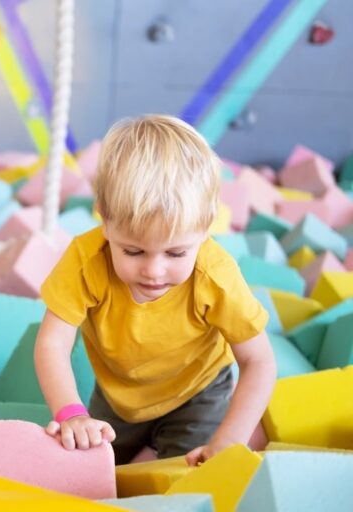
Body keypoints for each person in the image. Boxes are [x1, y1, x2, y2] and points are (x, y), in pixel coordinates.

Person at [34, 114, 276, 466]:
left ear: (206, 228)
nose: (153, 270)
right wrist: (71, 413)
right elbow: (53, 342)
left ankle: (240, 432)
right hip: (118, 396)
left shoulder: (215, 274)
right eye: (132, 251)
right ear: (104, 218)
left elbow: (258, 360)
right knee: (89, 472)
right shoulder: (86, 260)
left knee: (186, 480)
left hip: (197, 394)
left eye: (176, 253)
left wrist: (228, 440)